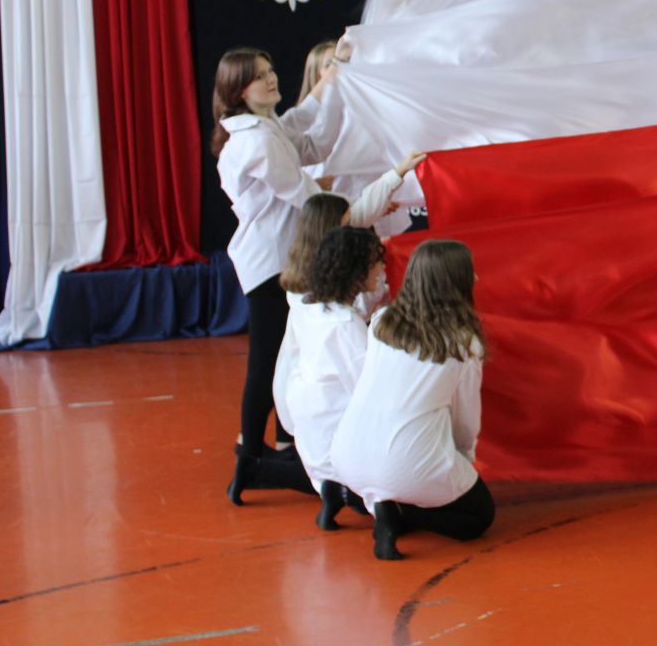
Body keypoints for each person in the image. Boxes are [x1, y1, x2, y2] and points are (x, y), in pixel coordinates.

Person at [212, 46, 423, 504]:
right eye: (260, 76)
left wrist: (331, 77)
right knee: (268, 359)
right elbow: (311, 200)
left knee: (286, 354)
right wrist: (375, 191)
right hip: (271, 261)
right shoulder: (257, 139)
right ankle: (251, 455)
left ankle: (280, 448)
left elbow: (304, 128)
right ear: (238, 90)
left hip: (281, 256)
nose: (271, 79)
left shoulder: (265, 127)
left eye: (270, 70)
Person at [332, 240, 496, 561]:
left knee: (405, 478)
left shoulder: (382, 320)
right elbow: (465, 419)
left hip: (347, 454)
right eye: (470, 273)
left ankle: (384, 506)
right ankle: (400, 513)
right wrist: (464, 459)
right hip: (406, 462)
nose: (476, 278)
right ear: (455, 283)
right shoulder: (464, 343)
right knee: (478, 517)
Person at [286, 226, 384, 530]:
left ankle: (339, 490)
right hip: (339, 447)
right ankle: (347, 492)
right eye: (375, 263)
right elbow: (370, 393)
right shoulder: (345, 325)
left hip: (314, 438)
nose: (381, 268)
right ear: (355, 270)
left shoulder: (311, 307)